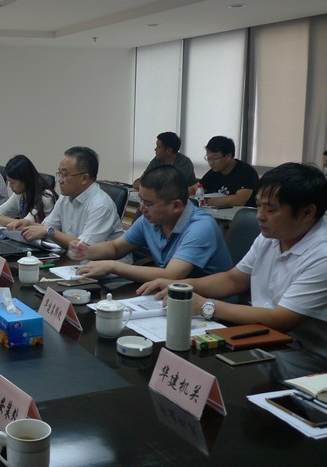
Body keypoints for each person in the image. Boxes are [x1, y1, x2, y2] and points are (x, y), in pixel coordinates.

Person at [139, 163, 327, 361]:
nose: (260, 216)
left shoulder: (321, 255)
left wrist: (204, 306)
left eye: (271, 210)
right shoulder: (272, 236)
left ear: (307, 212)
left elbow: (281, 319)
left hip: (306, 355)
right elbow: (233, 280)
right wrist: (180, 286)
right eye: (258, 205)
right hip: (261, 337)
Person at [70, 165, 233, 283]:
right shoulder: (151, 220)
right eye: (141, 200)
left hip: (210, 306)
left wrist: (113, 266)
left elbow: (171, 275)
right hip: (169, 295)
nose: (142, 208)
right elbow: (116, 248)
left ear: (176, 206)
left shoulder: (201, 227)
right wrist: (87, 251)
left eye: (148, 203)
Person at [8, 146, 123, 249]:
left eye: (65, 175)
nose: (60, 180)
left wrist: (49, 232)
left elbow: (85, 247)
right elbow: (47, 227)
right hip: (73, 259)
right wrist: (28, 224)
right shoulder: (65, 197)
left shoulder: (101, 205)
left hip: (103, 263)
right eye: (59, 173)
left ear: (84, 178)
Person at [0, 154, 58, 225]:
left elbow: (24, 224)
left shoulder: (46, 197)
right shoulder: (20, 195)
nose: (9, 186)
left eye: (13, 182)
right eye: (9, 181)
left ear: (25, 180)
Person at [192, 136, 259, 207]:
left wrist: (205, 202)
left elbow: (239, 200)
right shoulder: (215, 171)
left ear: (228, 156)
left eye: (214, 158)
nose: (211, 163)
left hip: (241, 213)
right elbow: (195, 188)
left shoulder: (246, 172)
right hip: (218, 212)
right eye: (208, 159)